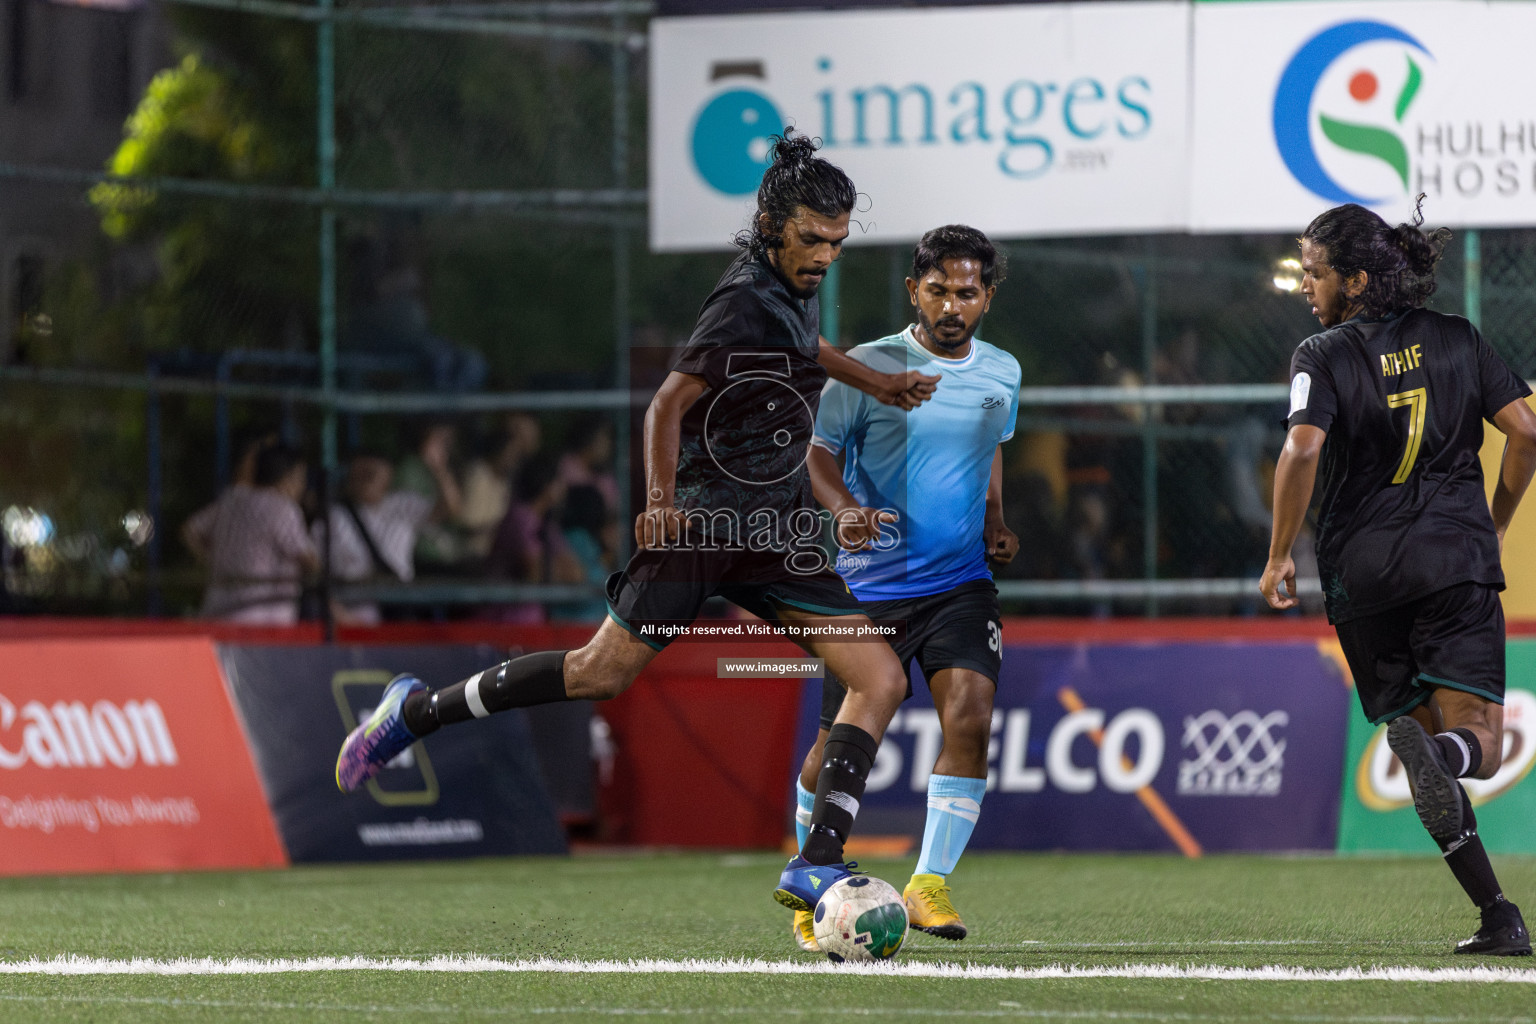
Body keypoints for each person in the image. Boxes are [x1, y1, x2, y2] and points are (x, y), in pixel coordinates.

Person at [334, 129, 940, 913]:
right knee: (599, 674)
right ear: (770, 227)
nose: (825, 254)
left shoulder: (793, 284)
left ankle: (815, 864)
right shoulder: (742, 297)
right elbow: (667, 402)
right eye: (811, 239)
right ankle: (414, 712)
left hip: (773, 535)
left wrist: (874, 381)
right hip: (702, 527)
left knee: (880, 675)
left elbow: (802, 347)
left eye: (836, 241)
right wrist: (658, 506)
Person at [1260, 199, 1536, 957]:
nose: (1305, 287)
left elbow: (1303, 451)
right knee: (1478, 739)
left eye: (1314, 274)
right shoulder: (1458, 339)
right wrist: (1497, 518)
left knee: (1416, 740)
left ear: (1354, 280)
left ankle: (1498, 916)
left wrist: (1281, 552)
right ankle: (1448, 762)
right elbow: (1527, 433)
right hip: (1453, 562)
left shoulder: (1321, 353)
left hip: (1362, 575)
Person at [790, 225, 1020, 951]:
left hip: (961, 583)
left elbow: (989, 452)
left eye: (969, 291)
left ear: (987, 296)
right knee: (829, 751)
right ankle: (813, 884)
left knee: (972, 717)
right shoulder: (868, 366)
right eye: (940, 289)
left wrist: (996, 520)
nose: (954, 304)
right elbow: (818, 453)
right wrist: (845, 512)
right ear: (914, 289)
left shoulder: (1003, 373)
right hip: (870, 589)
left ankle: (928, 884)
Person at [319, 438, 460, 626]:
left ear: (389, 476)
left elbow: (451, 508)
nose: (365, 479)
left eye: (372, 474)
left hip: (398, 613)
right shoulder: (333, 517)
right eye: (360, 473)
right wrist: (343, 617)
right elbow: (315, 574)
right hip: (352, 614)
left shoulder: (403, 505)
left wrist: (439, 469)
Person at [182, 443, 318, 624]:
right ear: (289, 477)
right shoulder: (283, 508)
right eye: (301, 479)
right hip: (261, 620)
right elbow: (308, 560)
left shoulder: (232, 499)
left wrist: (209, 558)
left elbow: (189, 530)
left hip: (217, 611)